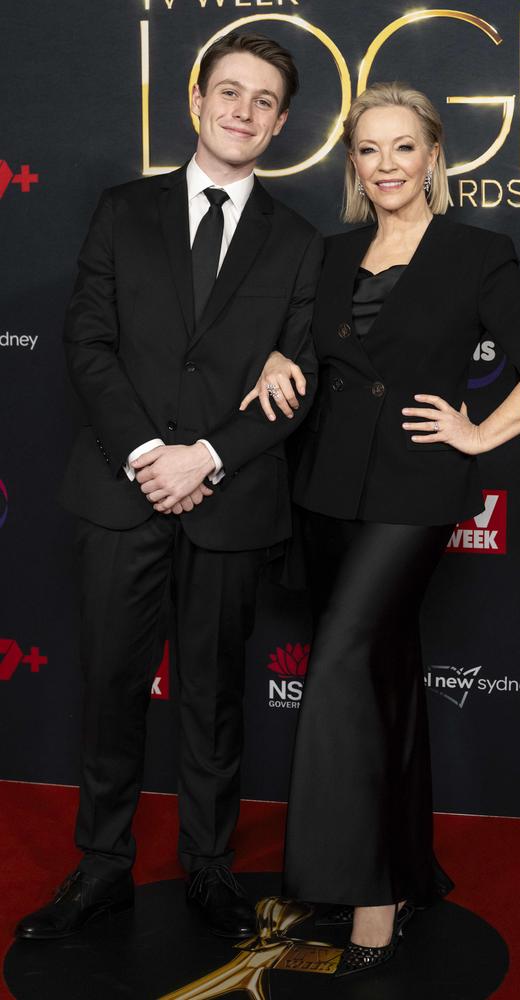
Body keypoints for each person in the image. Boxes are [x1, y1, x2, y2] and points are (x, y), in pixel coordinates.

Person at [240, 82, 520, 975]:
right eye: (368, 151)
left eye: (402, 148)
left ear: (434, 156)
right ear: (353, 166)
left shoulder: (476, 254)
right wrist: (274, 357)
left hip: (414, 494)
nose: (385, 168)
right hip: (325, 493)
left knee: (338, 666)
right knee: (387, 679)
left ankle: (364, 893)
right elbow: (294, 343)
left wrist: (481, 432)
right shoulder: (328, 258)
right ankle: (405, 872)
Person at [16, 33, 323, 941]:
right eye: (229, 92)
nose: (243, 110)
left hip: (230, 503)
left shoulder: (300, 243)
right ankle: (103, 865)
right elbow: (88, 342)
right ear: (196, 102)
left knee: (215, 694)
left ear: (279, 123)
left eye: (264, 100)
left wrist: (210, 458)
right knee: (110, 683)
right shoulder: (121, 210)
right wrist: (155, 453)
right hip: (122, 490)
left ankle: (209, 867)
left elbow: (296, 380)